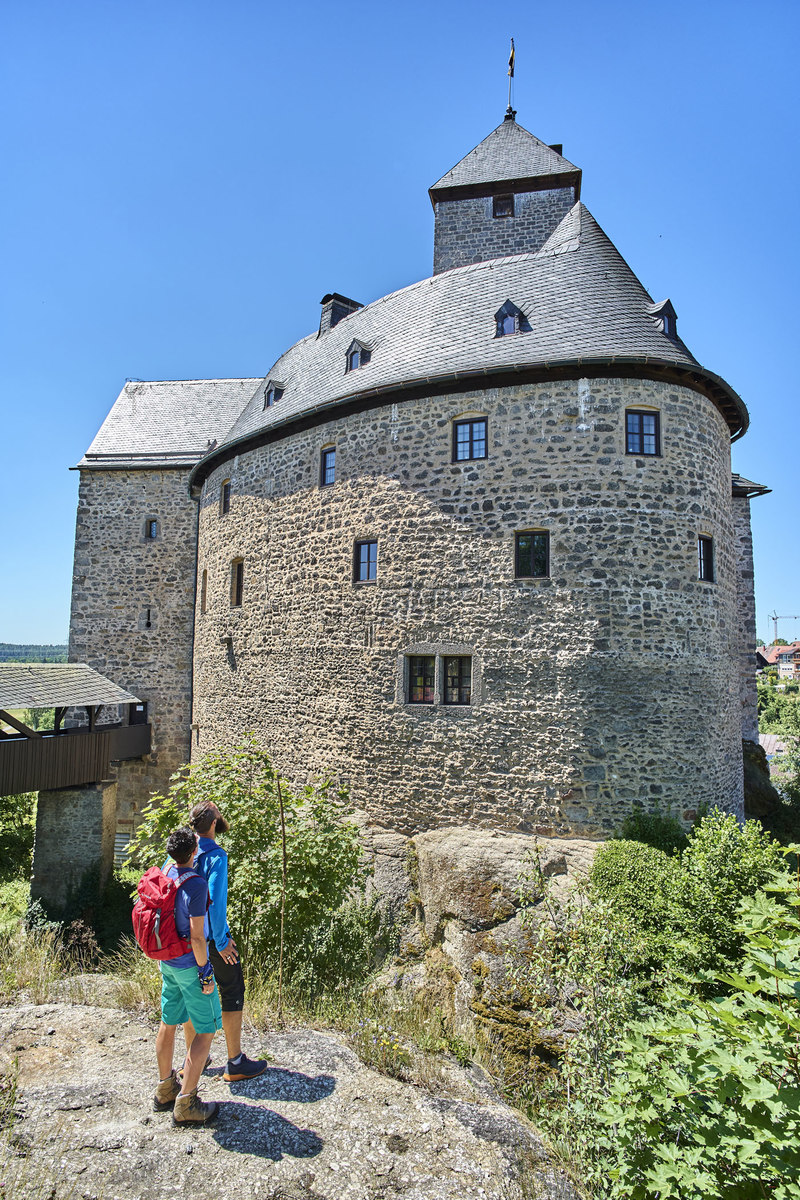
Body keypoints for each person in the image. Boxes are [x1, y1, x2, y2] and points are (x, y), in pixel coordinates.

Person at [180, 800, 267, 1082]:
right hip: (209, 938)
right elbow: (214, 904)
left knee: (193, 995)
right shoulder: (217, 856)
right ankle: (235, 1062)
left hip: (185, 939)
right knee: (231, 990)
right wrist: (221, 941)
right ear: (215, 824)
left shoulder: (181, 853)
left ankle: (196, 1059)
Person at [153, 826, 221, 1126]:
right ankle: (187, 1102)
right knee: (205, 1030)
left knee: (168, 1023)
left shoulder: (165, 873)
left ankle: (166, 1089)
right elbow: (196, 937)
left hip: (167, 961)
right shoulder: (196, 885)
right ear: (195, 852)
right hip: (189, 965)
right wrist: (206, 971)